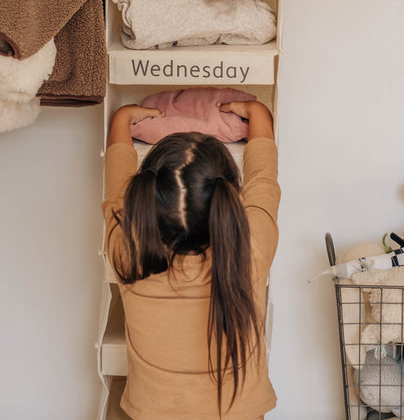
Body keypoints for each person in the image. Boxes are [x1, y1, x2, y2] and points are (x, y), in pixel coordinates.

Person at [103, 99, 281, 420]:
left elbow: (116, 189)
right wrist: (258, 113)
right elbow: (264, 179)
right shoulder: (250, 247)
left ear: (145, 198)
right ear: (233, 198)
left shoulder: (127, 247)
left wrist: (122, 118)